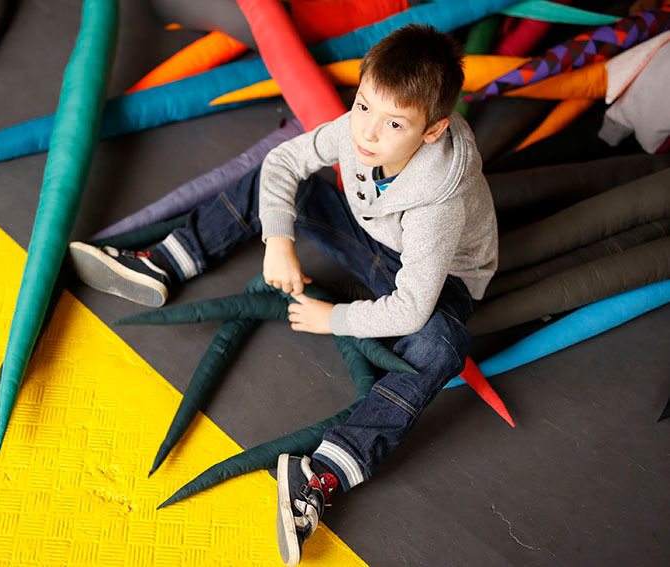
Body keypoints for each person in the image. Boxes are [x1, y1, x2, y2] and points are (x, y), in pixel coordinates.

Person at [68, 24, 497, 566]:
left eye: (393, 124)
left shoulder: (440, 204)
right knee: (279, 185)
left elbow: (413, 305)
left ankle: (322, 470)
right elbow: (283, 163)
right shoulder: (359, 130)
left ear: (432, 131)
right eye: (363, 107)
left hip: (440, 283)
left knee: (441, 345)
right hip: (379, 246)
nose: (367, 134)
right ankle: (166, 261)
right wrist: (279, 239)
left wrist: (333, 318)